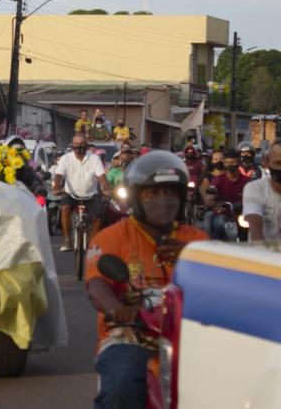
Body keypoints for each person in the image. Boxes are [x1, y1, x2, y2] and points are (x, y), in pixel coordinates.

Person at [85, 151, 207, 409]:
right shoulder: (111, 238)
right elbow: (97, 284)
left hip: (193, 337)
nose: (163, 201)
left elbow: (220, 283)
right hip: (131, 334)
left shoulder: (197, 240)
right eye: (153, 193)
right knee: (121, 386)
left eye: (170, 193)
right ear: (137, 197)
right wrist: (116, 309)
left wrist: (191, 257)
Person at [53, 133, 109, 251]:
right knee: (64, 209)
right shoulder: (66, 158)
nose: (79, 147)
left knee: (100, 214)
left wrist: (105, 189)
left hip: (91, 195)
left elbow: (102, 177)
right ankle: (67, 240)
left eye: (82, 144)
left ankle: (93, 242)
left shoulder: (94, 158)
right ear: (72, 145)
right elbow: (59, 175)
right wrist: (56, 188)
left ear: (87, 145)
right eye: (76, 144)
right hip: (71, 194)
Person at [203, 148, 250, 239]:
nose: (230, 165)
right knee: (219, 224)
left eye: (233, 162)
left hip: (241, 215)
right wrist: (212, 202)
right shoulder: (218, 179)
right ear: (224, 163)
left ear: (238, 163)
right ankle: (217, 246)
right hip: (222, 214)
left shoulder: (246, 180)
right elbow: (211, 193)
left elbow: (253, 196)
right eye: (227, 162)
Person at [243, 140, 281, 242]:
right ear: (268, 162)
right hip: (263, 254)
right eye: (278, 163)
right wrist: (261, 250)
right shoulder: (255, 188)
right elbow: (255, 223)